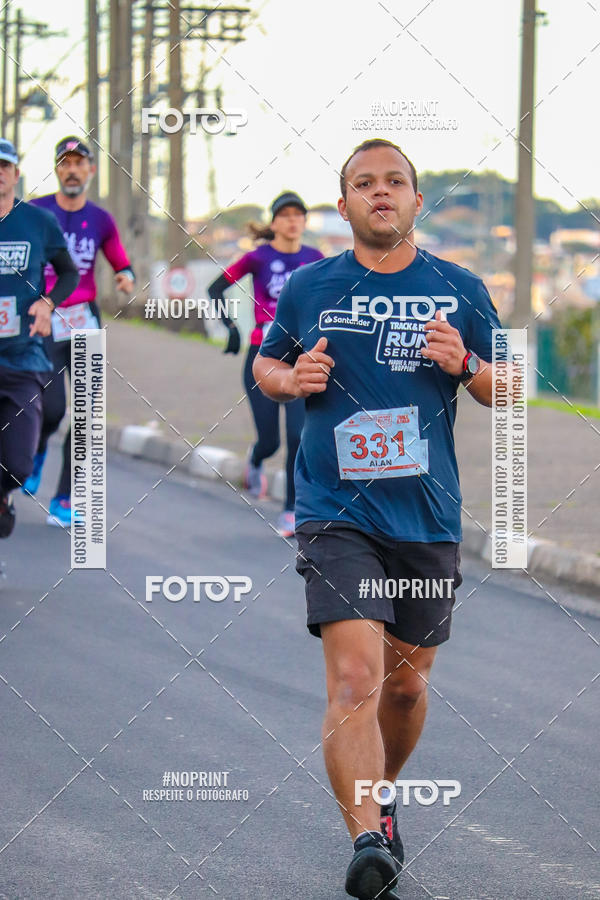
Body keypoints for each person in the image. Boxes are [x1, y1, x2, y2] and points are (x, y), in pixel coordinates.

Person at [253, 139, 501, 899]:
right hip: (336, 511)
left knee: (404, 688)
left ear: (418, 200)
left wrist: (467, 364)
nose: (381, 192)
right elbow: (265, 364)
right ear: (344, 205)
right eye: (365, 183)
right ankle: (366, 837)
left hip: (426, 515)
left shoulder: (460, 288)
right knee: (356, 678)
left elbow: (513, 387)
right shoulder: (309, 286)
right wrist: (291, 379)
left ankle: (383, 793)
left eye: (395, 181)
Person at [23, 136, 135, 526]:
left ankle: (64, 499)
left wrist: (125, 275)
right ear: (57, 170)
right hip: (45, 318)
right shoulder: (36, 212)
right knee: (51, 408)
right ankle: (36, 452)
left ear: (90, 170)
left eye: (79, 163)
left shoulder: (101, 219)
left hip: (85, 318)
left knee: (85, 414)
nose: (72, 170)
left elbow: (120, 259)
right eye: (65, 163)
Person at [207, 191, 323, 538]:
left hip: (300, 360)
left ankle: (290, 510)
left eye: (298, 215)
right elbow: (215, 288)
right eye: (285, 215)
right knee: (270, 440)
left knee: (298, 436)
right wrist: (230, 328)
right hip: (263, 357)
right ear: (274, 222)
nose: (292, 221)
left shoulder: (315, 259)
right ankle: (256, 459)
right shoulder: (258, 258)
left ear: (304, 221)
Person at [0, 138, 79, 539]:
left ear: (15, 174)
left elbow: (69, 273)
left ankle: (3, 493)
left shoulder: (37, 222)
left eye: (4, 166)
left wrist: (48, 303)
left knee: (18, 465)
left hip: (23, 357)